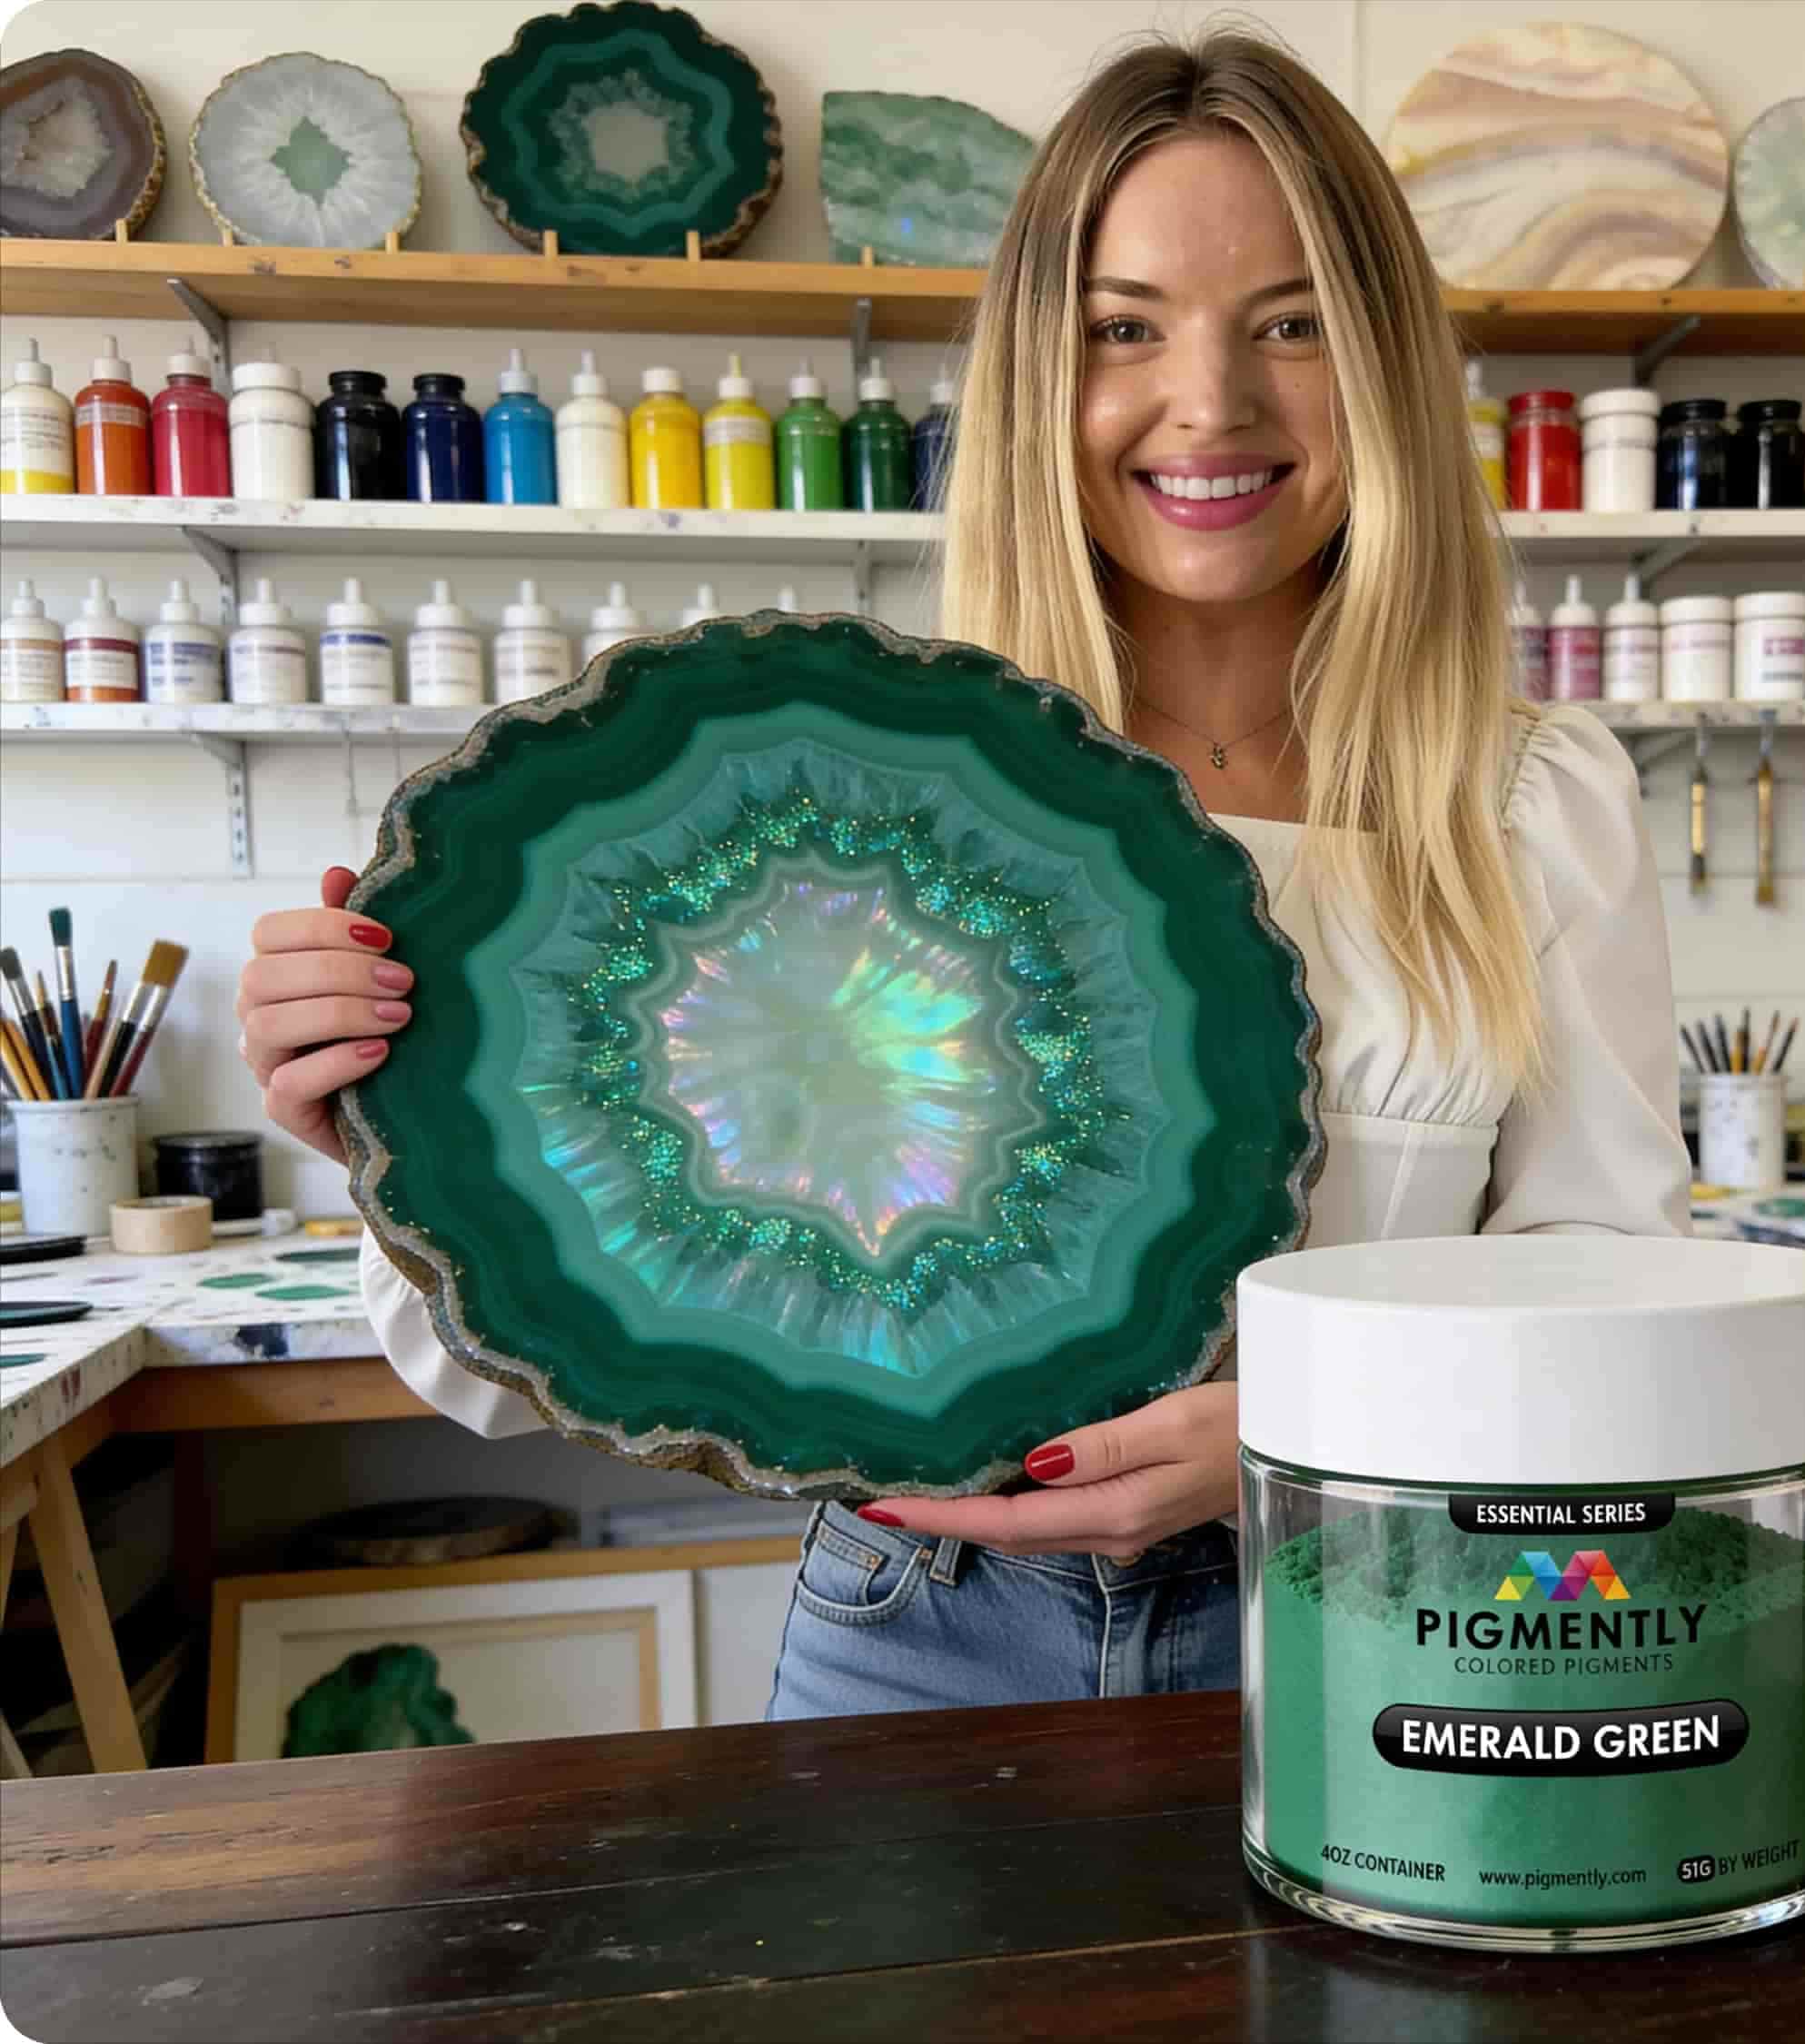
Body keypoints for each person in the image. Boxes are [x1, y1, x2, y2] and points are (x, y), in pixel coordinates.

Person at [237, 30, 1690, 1724]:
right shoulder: (854, 776)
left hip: (1378, 1607)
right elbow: (488, 1377)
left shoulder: (1526, 801)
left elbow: (1622, 1298)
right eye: (1123, 329)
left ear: (1380, 363)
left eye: (1290, 323)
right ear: (1032, 376)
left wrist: (1314, 1425)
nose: (1209, 404)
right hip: (918, 1626)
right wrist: (400, 1124)